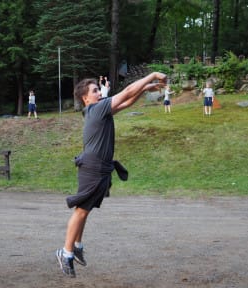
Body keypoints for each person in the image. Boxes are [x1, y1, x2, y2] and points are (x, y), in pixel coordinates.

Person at [56, 72, 167, 278]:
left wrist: (143, 89)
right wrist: (151, 75)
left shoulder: (99, 111)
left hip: (99, 168)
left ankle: (76, 246)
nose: (99, 93)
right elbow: (125, 92)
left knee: (85, 209)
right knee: (80, 210)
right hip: (93, 168)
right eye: (95, 91)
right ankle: (66, 252)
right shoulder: (96, 109)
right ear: (85, 98)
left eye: (99, 89)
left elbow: (126, 102)